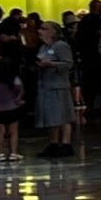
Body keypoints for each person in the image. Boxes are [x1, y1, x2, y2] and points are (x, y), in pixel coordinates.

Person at [34, 19, 78, 161]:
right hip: (45, 85)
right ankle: (53, 143)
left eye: (44, 28)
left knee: (62, 115)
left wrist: (51, 64)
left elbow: (68, 64)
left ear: (53, 31)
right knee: (51, 116)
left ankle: (66, 143)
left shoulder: (61, 46)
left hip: (58, 85)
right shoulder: (43, 47)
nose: (40, 31)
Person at [0, 28, 25, 163]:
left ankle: (0, 153)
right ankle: (13, 152)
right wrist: (18, 99)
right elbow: (21, 90)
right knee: (14, 131)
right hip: (12, 108)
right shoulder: (14, 79)